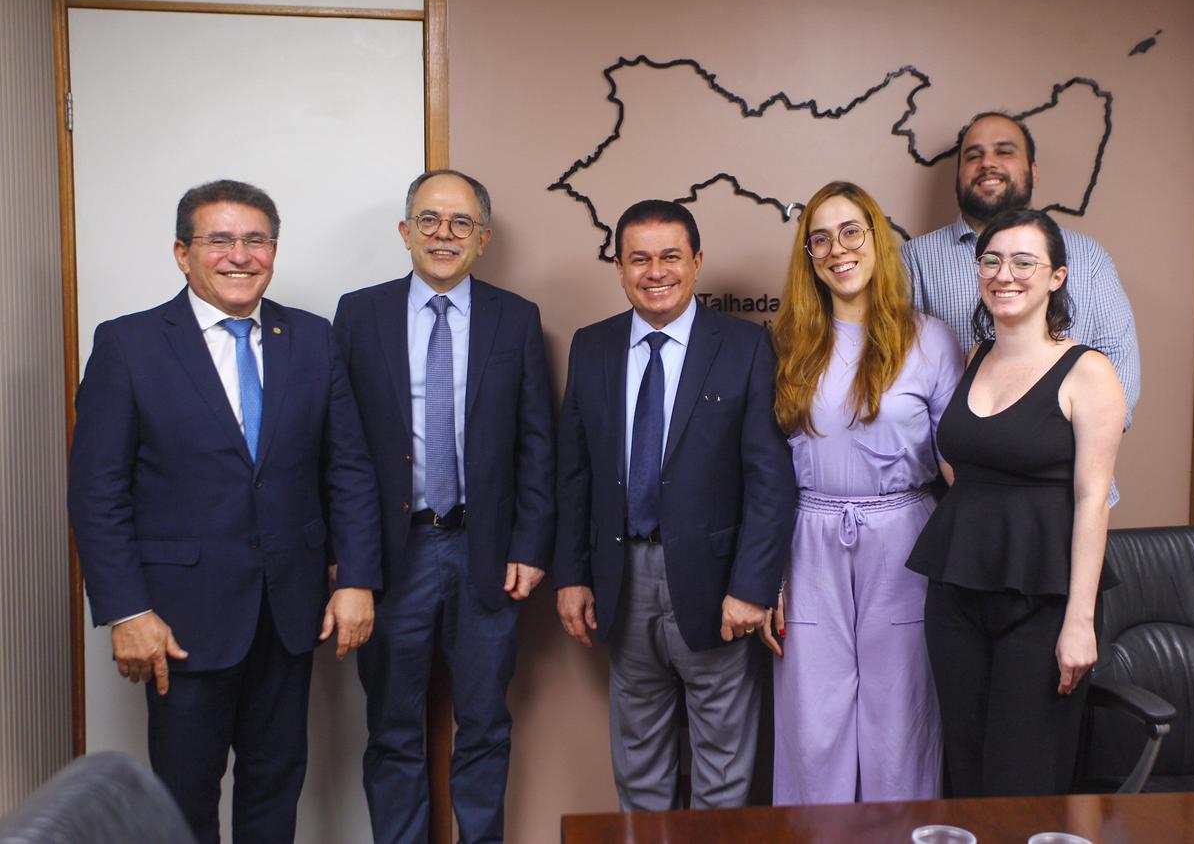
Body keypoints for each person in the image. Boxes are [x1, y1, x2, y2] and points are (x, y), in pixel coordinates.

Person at [68, 179, 381, 843]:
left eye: (256, 240)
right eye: (220, 240)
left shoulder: (312, 338)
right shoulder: (128, 345)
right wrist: (127, 611)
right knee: (184, 796)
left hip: (289, 609)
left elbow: (348, 469)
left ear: (274, 251)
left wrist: (356, 577)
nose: (240, 256)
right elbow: (97, 491)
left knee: (275, 785)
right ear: (183, 253)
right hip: (178, 617)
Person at [334, 169, 555, 844]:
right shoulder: (359, 315)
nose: (443, 234)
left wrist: (530, 545)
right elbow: (337, 446)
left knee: (485, 725)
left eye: (461, 223)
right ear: (405, 231)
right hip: (391, 554)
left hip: (484, 550)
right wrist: (348, 564)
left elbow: (536, 442)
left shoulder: (516, 319)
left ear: (482, 239)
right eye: (429, 219)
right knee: (393, 728)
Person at [554, 200, 794, 811]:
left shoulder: (744, 346)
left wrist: (752, 587)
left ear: (697, 262)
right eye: (639, 259)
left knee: (723, 770)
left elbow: (769, 478)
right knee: (638, 766)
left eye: (670, 257)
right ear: (619, 267)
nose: (655, 272)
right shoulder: (593, 346)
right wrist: (572, 576)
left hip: (718, 586)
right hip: (622, 578)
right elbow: (574, 473)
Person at [906, 208, 1126, 797]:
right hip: (957, 590)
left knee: (1022, 775)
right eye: (992, 260)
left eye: (1024, 262)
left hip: (1043, 600)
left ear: (1056, 277)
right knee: (965, 767)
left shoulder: (1089, 372)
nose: (1005, 275)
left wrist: (1080, 621)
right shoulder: (976, 357)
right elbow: (963, 464)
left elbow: (1093, 499)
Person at [766, 181, 963, 804]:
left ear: (878, 238)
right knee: (812, 721)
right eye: (820, 238)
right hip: (808, 541)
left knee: (900, 717)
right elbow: (764, 471)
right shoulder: (788, 343)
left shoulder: (930, 339)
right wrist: (767, 577)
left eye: (851, 231)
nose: (838, 249)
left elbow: (959, 464)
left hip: (904, 540)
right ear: (808, 256)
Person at [901, 111, 1139, 431]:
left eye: (1004, 151)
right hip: (954, 459)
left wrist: (1047, 448)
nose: (987, 163)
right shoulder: (915, 260)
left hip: (1065, 459)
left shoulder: (1087, 257)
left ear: (1034, 172)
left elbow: (1119, 368)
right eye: (973, 156)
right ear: (957, 179)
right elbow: (897, 378)